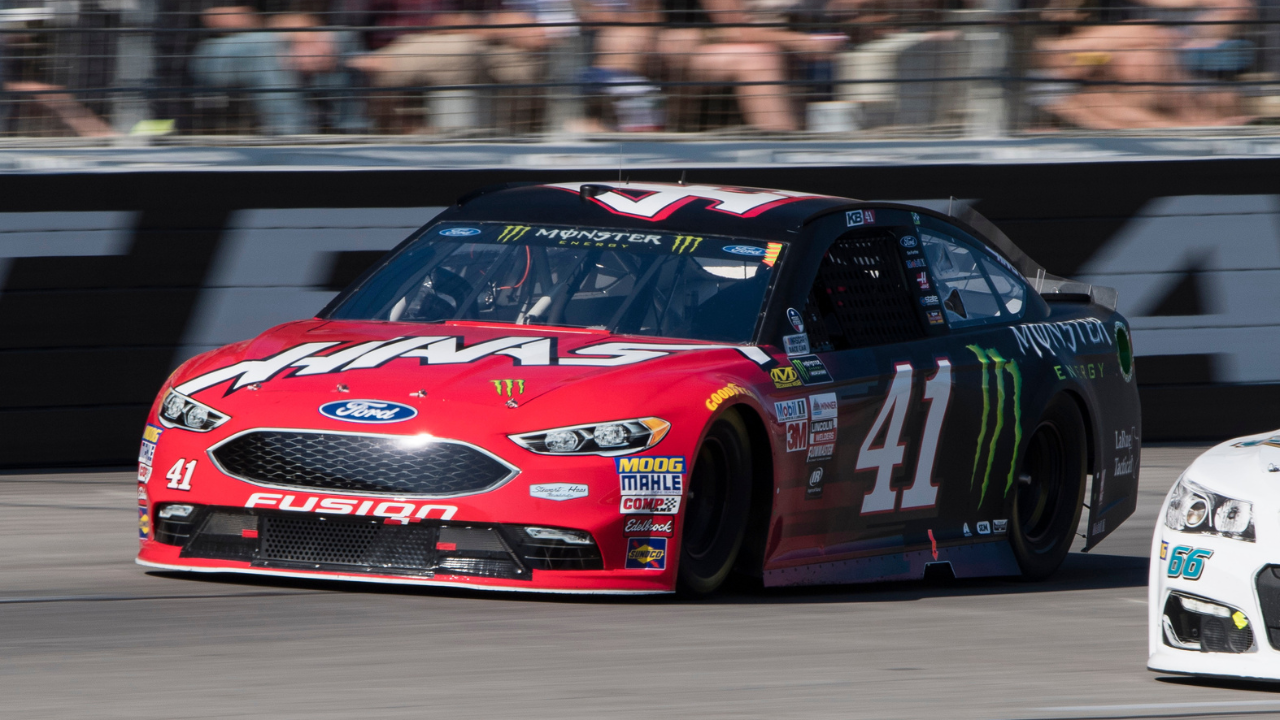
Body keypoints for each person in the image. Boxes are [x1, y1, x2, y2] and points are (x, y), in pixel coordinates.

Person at [583, 0, 843, 132]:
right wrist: (802, 42)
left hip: (718, 44)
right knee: (758, 59)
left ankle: (796, 139)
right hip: (687, 48)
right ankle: (782, 147)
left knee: (766, 55)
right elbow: (735, 28)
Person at [190, 1, 367, 134]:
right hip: (211, 54)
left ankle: (352, 135)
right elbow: (222, 18)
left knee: (342, 38)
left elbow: (313, 15)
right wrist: (293, 34)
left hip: (294, 37)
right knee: (267, 47)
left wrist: (311, 36)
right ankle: (292, 140)